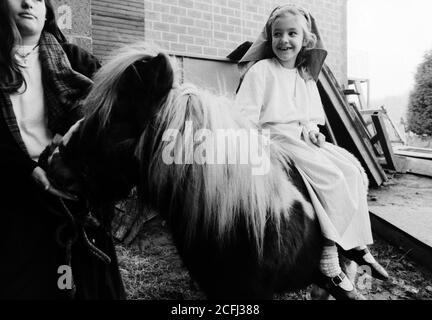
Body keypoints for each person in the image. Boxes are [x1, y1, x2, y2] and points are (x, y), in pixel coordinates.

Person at [235, 4, 389, 300]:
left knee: (351, 168)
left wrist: (313, 130)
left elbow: (307, 117)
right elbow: (244, 115)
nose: (284, 40)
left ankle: (355, 244)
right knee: (329, 177)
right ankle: (328, 256)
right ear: (270, 38)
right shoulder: (261, 71)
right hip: (272, 139)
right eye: (277, 34)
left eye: (292, 33)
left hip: (300, 137)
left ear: (305, 39)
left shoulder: (305, 75)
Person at [0, 0, 125, 299]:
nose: (28, 2)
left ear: (47, 11)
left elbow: (116, 119)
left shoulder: (77, 61)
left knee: (86, 286)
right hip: (14, 198)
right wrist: (27, 170)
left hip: (73, 196)